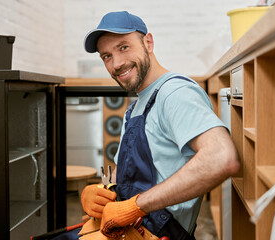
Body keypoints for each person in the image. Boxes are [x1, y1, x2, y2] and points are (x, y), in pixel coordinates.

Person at [56, 11, 240, 240]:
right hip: (126, 231)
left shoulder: (176, 94)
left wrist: (136, 207)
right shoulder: (137, 106)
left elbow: (221, 157)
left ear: (148, 43)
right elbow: (136, 176)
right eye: (106, 56)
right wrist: (99, 191)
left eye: (123, 47)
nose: (117, 64)